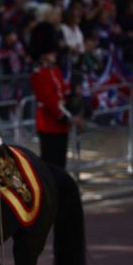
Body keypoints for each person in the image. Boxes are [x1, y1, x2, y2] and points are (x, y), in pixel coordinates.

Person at [29, 21, 83, 169]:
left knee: (60, 164)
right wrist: (69, 118)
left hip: (60, 125)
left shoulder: (55, 70)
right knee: (51, 164)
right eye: (51, 52)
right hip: (49, 124)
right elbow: (49, 102)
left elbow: (62, 91)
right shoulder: (38, 74)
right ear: (44, 54)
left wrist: (73, 91)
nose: (55, 54)